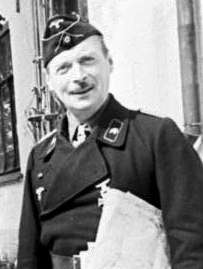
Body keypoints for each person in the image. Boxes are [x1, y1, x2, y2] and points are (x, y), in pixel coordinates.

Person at [17, 13, 203, 269]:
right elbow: (30, 257)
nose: (78, 76)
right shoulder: (40, 156)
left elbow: (192, 244)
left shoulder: (154, 136)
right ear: (49, 82)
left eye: (87, 60)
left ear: (109, 63)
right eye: (64, 68)